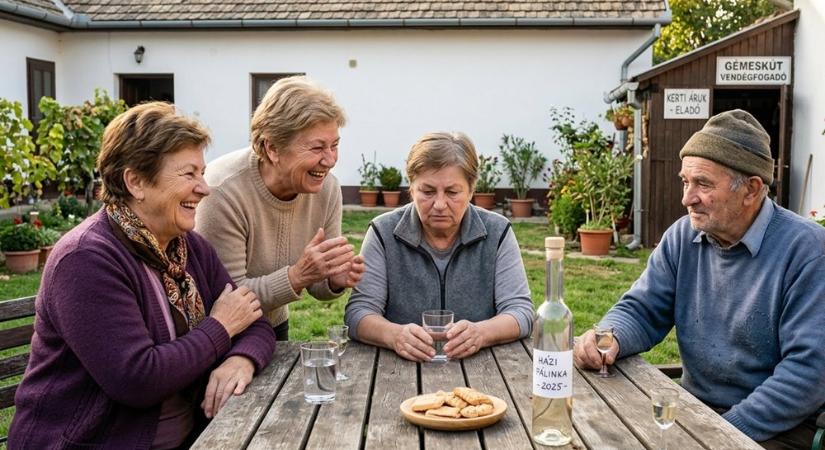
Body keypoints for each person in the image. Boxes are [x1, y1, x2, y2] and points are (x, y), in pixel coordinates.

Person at [8, 102, 276, 449]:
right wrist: (221, 329)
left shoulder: (187, 248)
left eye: (203, 173)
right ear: (135, 181)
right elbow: (137, 379)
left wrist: (241, 359)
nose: (204, 188)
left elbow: (253, 321)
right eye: (188, 174)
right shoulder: (86, 260)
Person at [573, 109, 825, 449]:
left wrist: (721, 432)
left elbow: (808, 373)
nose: (686, 197)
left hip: (778, 427)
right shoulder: (683, 236)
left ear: (751, 189)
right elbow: (643, 308)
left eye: (703, 184)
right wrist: (609, 336)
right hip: (696, 409)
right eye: (685, 181)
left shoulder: (806, 250)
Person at [195, 76, 364, 342]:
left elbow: (317, 284)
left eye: (335, 145)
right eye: (318, 147)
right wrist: (297, 276)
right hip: (217, 335)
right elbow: (227, 296)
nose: (330, 160)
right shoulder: (223, 191)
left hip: (272, 325)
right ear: (272, 147)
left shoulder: (327, 188)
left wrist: (333, 280)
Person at [344, 132, 534, 362]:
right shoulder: (383, 232)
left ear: (471, 190)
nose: (440, 204)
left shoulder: (497, 232)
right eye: (427, 191)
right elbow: (358, 313)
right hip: (397, 369)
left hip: (484, 370)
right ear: (411, 189)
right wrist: (394, 335)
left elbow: (521, 312)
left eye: (452, 192)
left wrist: (482, 333)